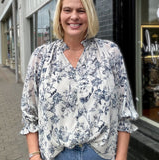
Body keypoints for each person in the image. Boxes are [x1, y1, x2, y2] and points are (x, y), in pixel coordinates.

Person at [20, 0, 139, 160]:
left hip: (101, 154)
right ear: (59, 15)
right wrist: (34, 155)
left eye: (81, 11)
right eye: (67, 10)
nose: (74, 16)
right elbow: (29, 111)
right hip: (56, 154)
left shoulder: (110, 52)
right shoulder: (41, 57)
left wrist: (121, 156)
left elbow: (124, 111)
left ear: (89, 14)